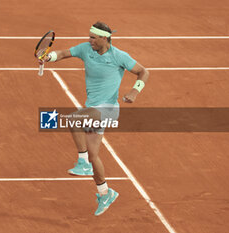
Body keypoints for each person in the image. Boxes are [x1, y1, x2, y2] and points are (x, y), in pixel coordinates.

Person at [39, 21, 149, 216]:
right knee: (94, 155)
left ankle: (82, 163)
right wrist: (49, 57)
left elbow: (143, 72)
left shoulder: (119, 56)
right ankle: (105, 193)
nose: (89, 40)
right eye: (89, 36)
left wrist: (134, 91)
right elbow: (64, 53)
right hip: (92, 107)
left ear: (104, 38)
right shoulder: (85, 49)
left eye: (93, 37)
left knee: (73, 120)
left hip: (107, 109)